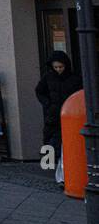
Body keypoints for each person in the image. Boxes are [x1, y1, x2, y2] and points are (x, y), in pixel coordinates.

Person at [35, 51, 82, 186]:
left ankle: (59, 170)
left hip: (69, 114)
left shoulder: (74, 79)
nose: (58, 70)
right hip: (54, 113)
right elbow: (39, 91)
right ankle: (49, 166)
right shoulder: (48, 77)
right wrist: (47, 104)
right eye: (56, 67)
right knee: (50, 139)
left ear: (65, 65)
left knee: (65, 142)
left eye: (61, 67)